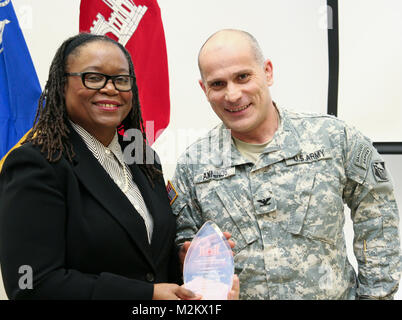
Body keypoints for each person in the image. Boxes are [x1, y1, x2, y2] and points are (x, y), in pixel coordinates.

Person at [170, 29, 401, 299]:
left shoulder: (333, 138)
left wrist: (376, 296)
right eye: (218, 84)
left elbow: (378, 218)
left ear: (267, 72)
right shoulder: (193, 165)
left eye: (243, 77)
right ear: (204, 89)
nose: (232, 95)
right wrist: (188, 255)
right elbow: (182, 243)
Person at [0, 33, 224, 300]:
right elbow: (32, 285)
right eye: (93, 77)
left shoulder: (143, 158)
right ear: (61, 85)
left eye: (121, 80)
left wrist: (183, 260)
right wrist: (145, 295)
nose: (110, 88)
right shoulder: (36, 165)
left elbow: (144, 258)